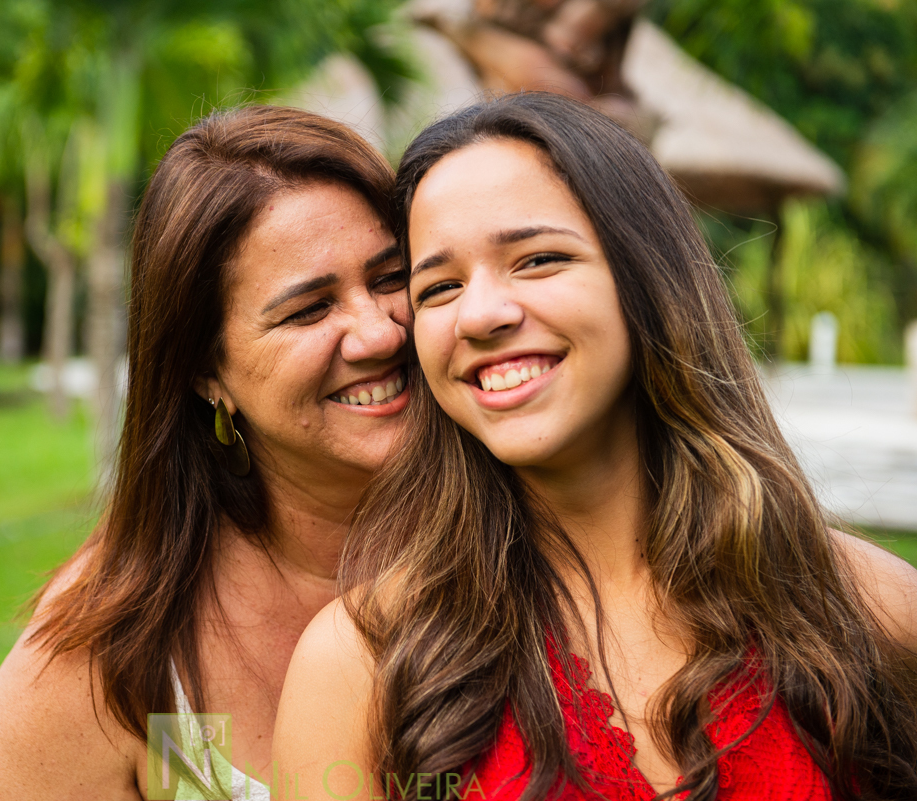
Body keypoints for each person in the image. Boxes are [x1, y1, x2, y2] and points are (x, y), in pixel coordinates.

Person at [275, 93, 917, 801]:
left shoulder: (877, 613)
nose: (483, 314)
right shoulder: (363, 666)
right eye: (440, 286)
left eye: (538, 258)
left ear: (646, 276)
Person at [0, 105, 412, 800]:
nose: (378, 332)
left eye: (390, 277)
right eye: (309, 309)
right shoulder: (119, 652)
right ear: (205, 369)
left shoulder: (543, 545)